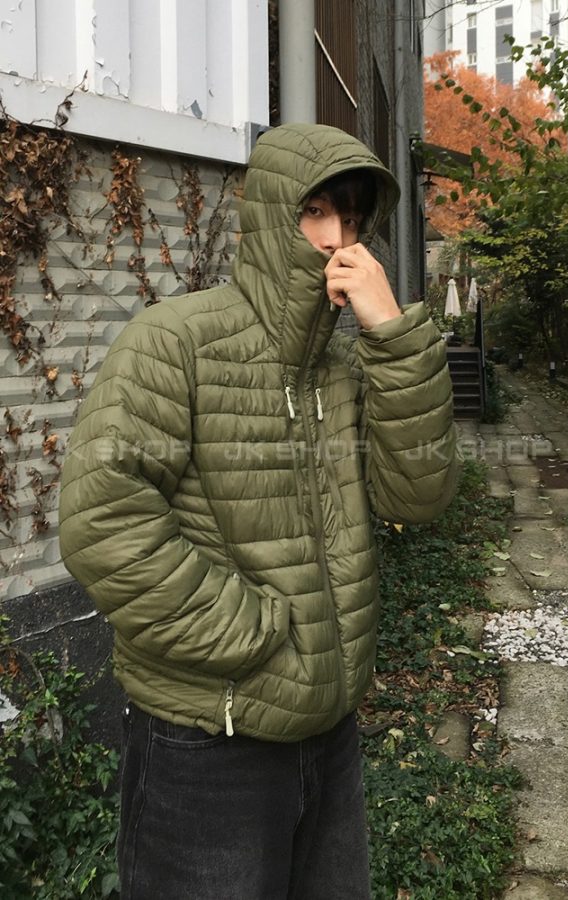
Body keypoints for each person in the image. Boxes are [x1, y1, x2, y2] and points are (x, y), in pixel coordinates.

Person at [59, 123, 458, 899]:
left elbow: (420, 495)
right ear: (273, 217)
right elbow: (102, 519)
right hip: (210, 743)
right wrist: (252, 634)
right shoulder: (176, 341)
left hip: (330, 737)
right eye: (315, 212)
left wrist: (393, 336)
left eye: (351, 217)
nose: (336, 239)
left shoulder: (347, 366)